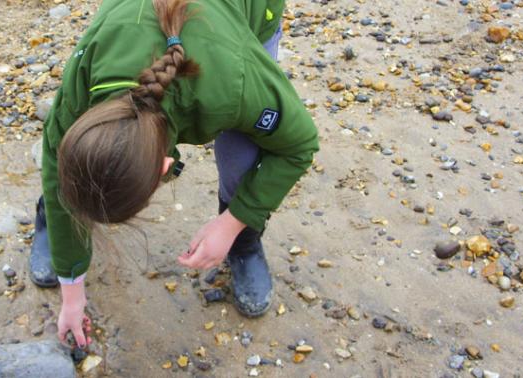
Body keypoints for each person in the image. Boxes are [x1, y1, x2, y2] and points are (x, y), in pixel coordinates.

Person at [28, 0, 319, 348]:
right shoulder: (90, 73)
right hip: (135, 27)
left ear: (167, 168)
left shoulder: (235, 85)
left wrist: (233, 221)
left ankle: (243, 245)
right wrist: (72, 295)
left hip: (238, 31)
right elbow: (56, 164)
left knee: (241, 158)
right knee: (79, 175)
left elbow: (298, 144)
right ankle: (51, 223)